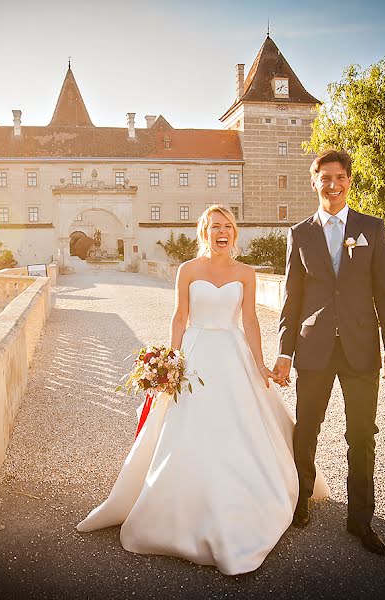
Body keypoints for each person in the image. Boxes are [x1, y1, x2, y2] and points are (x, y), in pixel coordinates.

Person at [77, 204, 327, 575]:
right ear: (204, 232)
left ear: (235, 233)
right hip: (195, 355)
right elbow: (180, 317)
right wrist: (170, 363)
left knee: (240, 426)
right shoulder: (188, 270)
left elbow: (250, 320)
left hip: (232, 354)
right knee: (186, 428)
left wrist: (259, 364)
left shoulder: (245, 273)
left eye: (228, 226)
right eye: (215, 227)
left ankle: (248, 501)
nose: (222, 232)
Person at [274, 149, 385, 556]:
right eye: (324, 177)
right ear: (314, 182)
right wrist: (284, 352)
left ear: (349, 181)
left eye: (339, 177)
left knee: (362, 435)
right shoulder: (299, 233)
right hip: (313, 350)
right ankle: (300, 503)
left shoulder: (372, 228)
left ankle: (361, 520)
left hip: (362, 348)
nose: (332, 184)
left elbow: (384, 290)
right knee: (306, 431)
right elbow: (291, 299)